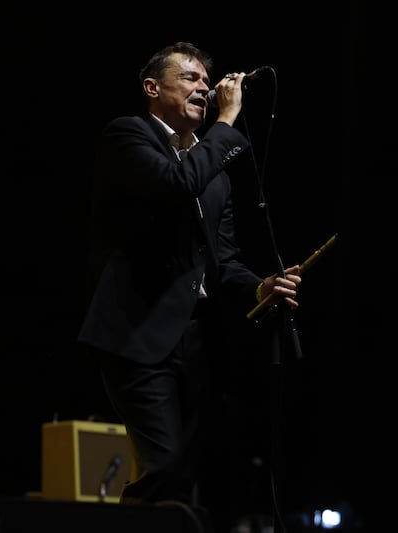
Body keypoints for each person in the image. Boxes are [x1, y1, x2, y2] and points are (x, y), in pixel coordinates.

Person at [77, 41, 301, 528]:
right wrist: (228, 121)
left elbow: (224, 257)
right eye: (191, 78)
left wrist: (259, 286)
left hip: (197, 341)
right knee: (162, 466)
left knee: (182, 476)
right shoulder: (128, 136)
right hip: (138, 333)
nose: (205, 87)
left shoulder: (212, 169)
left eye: (207, 80)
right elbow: (176, 184)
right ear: (152, 88)